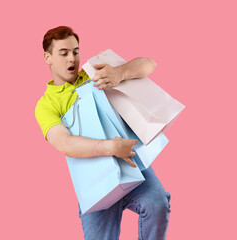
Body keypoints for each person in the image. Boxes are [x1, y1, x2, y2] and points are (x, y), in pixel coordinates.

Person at [35, 26, 171, 240]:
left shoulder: (95, 72)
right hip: (95, 180)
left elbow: (149, 64)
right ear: (48, 57)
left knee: (157, 204)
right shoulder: (46, 105)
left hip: (132, 162)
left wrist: (120, 73)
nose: (72, 58)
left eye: (76, 51)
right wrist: (110, 147)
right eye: (64, 53)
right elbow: (64, 143)